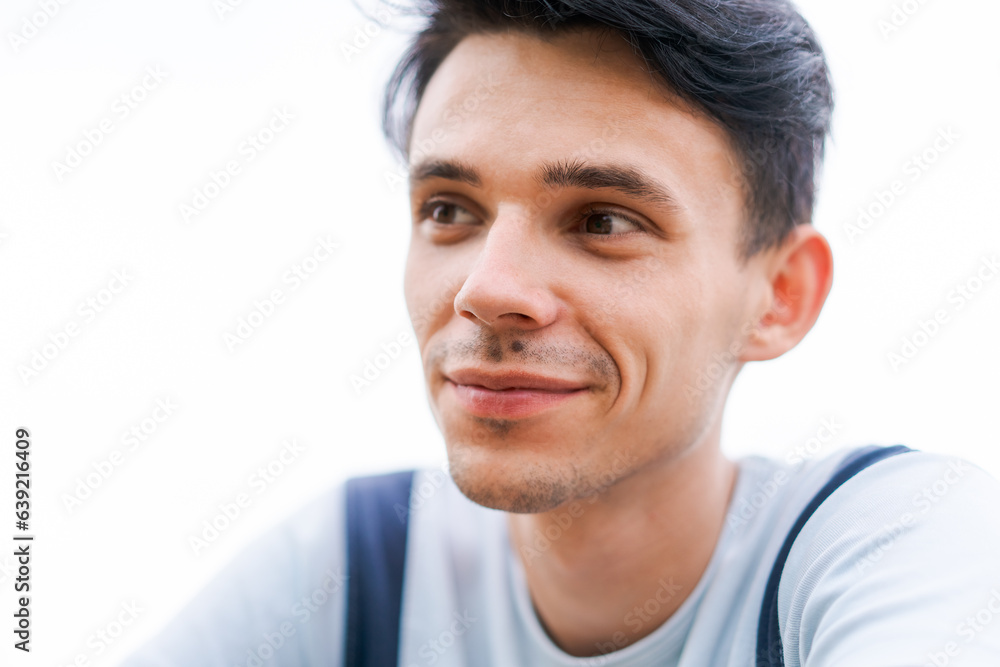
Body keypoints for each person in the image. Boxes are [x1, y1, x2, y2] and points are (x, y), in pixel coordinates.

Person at [121, 1, 1000, 665]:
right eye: (449, 209)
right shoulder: (356, 571)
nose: (486, 289)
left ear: (779, 296)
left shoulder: (887, 541)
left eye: (604, 220)